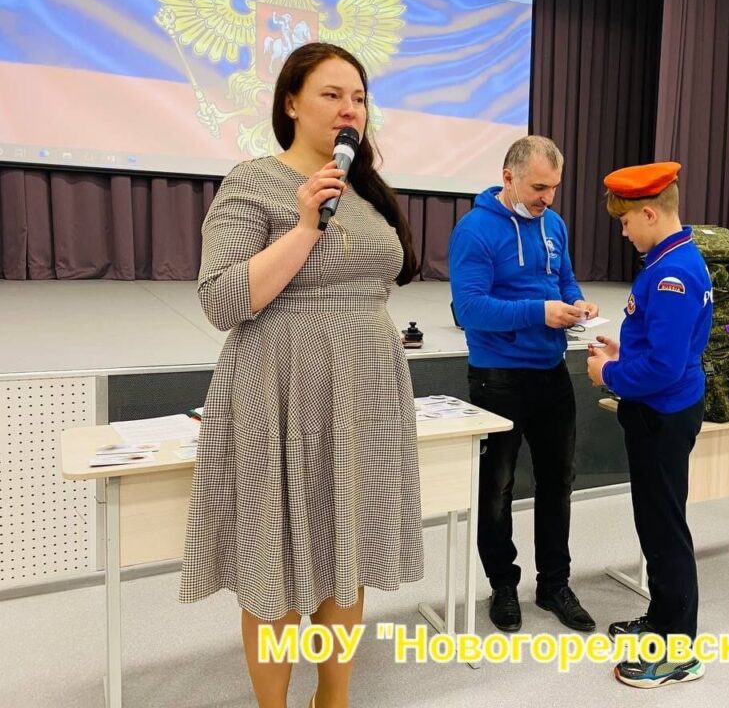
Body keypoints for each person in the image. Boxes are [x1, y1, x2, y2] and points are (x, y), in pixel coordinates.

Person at [179, 42, 422, 708]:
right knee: (276, 562)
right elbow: (222, 300)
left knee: (346, 553)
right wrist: (307, 224)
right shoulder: (253, 182)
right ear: (290, 103)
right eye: (331, 94)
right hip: (280, 391)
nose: (350, 109)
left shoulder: (365, 190)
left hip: (365, 392)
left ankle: (332, 699)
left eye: (359, 98)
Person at [448, 135, 598, 633]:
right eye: (538, 187)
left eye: (554, 188)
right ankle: (503, 585)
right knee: (497, 489)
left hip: (551, 372)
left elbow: (564, 281)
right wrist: (539, 312)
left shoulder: (554, 224)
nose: (547, 199)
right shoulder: (475, 230)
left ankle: (554, 584)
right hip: (499, 378)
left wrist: (578, 303)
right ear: (507, 177)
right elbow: (470, 309)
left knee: (558, 483)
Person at [586, 162, 713, 689]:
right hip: (661, 408)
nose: (623, 232)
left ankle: (678, 651)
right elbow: (665, 346)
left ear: (649, 213)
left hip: (662, 413)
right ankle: (662, 620)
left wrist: (609, 373)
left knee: (665, 531)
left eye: (625, 222)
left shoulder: (671, 275)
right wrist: (626, 350)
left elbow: (664, 367)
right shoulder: (670, 259)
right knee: (655, 526)